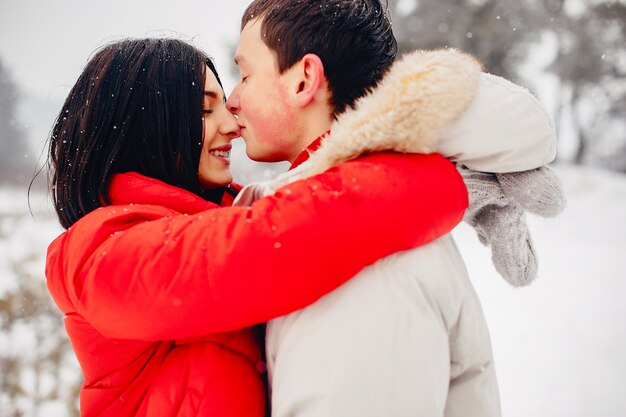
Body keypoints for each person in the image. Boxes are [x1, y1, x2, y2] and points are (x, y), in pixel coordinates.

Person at [45, 38, 469, 417]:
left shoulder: (224, 217)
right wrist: (419, 178)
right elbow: (268, 247)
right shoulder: (96, 250)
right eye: (204, 110)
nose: (231, 124)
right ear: (146, 124)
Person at [227, 1, 561, 416]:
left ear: (304, 80)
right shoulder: (358, 209)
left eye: (244, 75)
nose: (232, 100)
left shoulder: (355, 244)